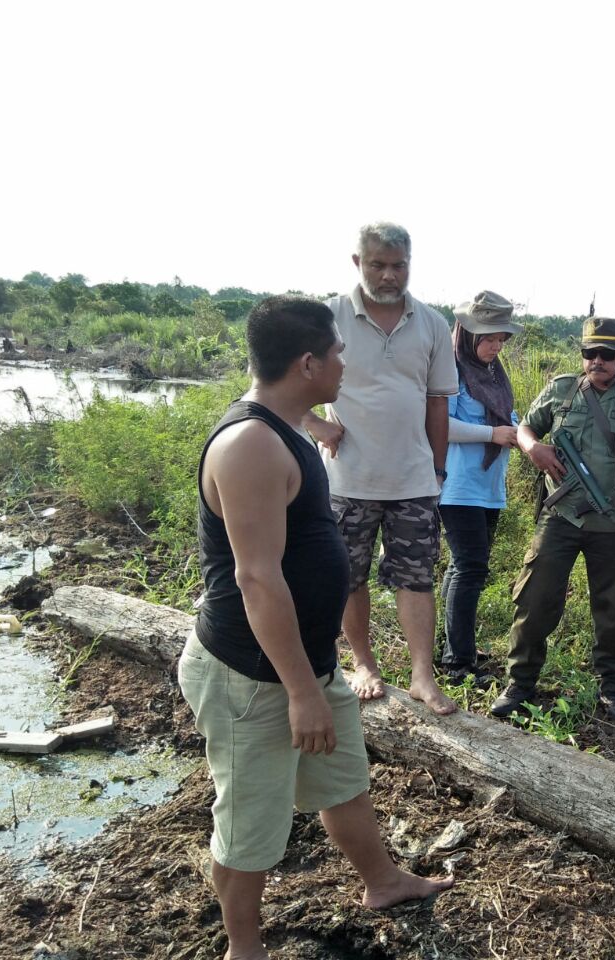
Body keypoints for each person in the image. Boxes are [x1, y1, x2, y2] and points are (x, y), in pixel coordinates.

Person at [178, 296, 453, 960]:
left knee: (341, 778)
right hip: (255, 678)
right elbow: (256, 580)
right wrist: (300, 691)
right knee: (249, 823)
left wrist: (314, 675)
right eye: (336, 352)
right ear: (307, 363)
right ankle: (243, 948)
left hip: (303, 664)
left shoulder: (290, 429)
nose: (343, 360)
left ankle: (383, 881)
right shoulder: (249, 444)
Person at [302, 222, 458, 715]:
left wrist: (437, 470)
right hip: (349, 479)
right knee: (349, 576)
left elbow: (437, 402)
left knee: (417, 578)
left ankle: (421, 676)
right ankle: (364, 663)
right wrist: (313, 424)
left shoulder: (431, 323)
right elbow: (272, 378)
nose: (389, 275)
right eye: (378, 265)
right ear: (357, 263)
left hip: (413, 480)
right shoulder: (328, 318)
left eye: (399, 266)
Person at [491, 317, 615, 727]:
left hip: (614, 522)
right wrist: (533, 447)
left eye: (607, 354)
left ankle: (611, 687)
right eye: (590, 353)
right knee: (535, 600)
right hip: (561, 517)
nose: (597, 361)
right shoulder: (562, 391)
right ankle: (520, 683)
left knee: (612, 609)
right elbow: (527, 426)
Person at [438, 291, 522, 687]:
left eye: (501, 339)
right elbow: (441, 427)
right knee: (470, 568)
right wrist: (493, 432)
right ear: (468, 334)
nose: (495, 346)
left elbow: (509, 418)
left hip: (488, 486)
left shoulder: (493, 374)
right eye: (488, 338)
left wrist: (524, 434)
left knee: (463, 568)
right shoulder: (451, 371)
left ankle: (453, 649)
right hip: (457, 486)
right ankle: (458, 665)